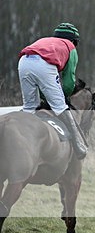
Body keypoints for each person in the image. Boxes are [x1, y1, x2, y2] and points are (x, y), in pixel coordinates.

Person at [17, 22, 88, 159]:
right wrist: (64, 96)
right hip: (43, 64)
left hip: (24, 62)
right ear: (73, 40)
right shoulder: (70, 47)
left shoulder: (45, 41)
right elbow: (68, 82)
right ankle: (78, 144)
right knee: (60, 107)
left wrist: (47, 96)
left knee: (29, 107)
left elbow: (44, 87)